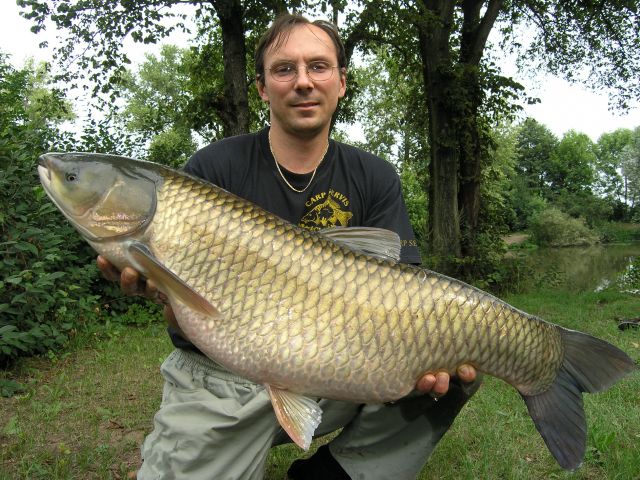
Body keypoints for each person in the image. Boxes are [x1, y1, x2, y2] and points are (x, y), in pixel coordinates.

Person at [98, 13, 480, 480]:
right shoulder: (212, 169)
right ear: (262, 87)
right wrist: (159, 289)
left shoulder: (374, 177)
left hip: (338, 365)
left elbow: (404, 292)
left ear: (341, 82)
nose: (303, 82)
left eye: (318, 67)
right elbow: (183, 308)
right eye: (284, 69)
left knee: (457, 364)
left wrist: (426, 353)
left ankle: (335, 475)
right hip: (223, 375)